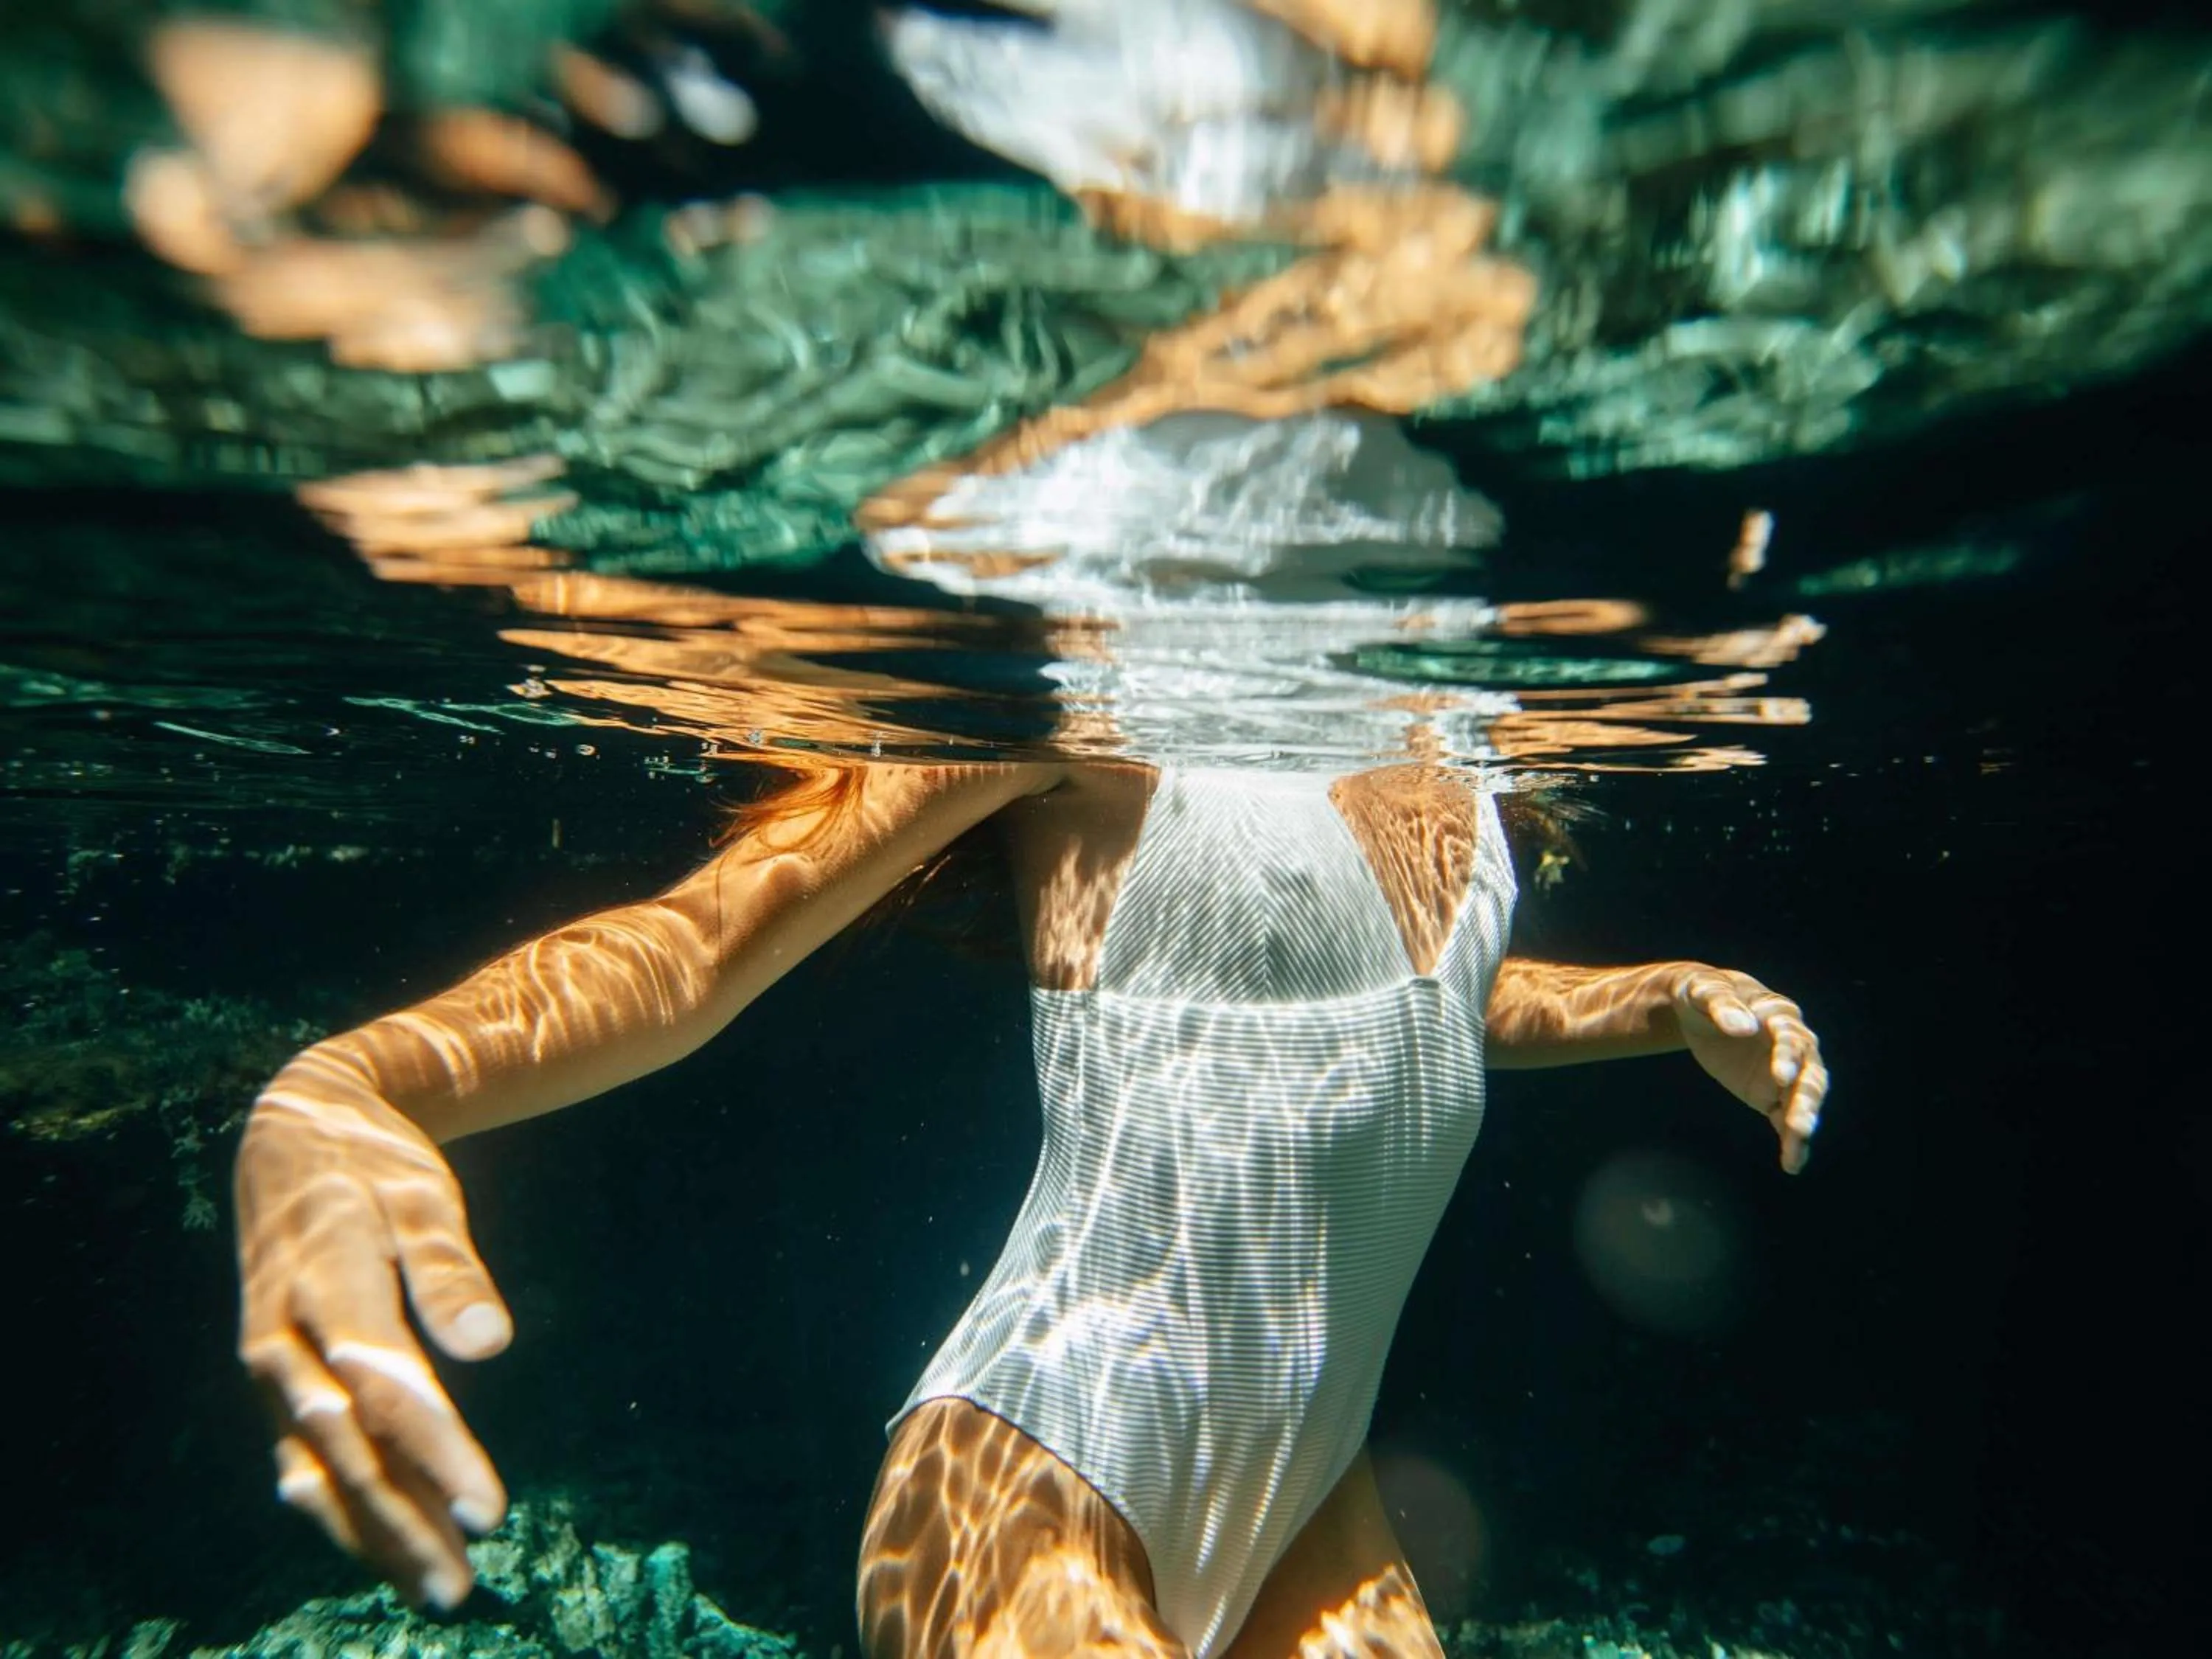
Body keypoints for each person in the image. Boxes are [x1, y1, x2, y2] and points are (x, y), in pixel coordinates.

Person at [233, 753, 1827, 1659]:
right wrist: (358, 1082)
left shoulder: (1452, 736)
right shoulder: (1065, 678)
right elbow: (695, 947)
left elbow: (1396, 1006)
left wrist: (1658, 1000)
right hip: (1039, 1468)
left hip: (1311, 1507)